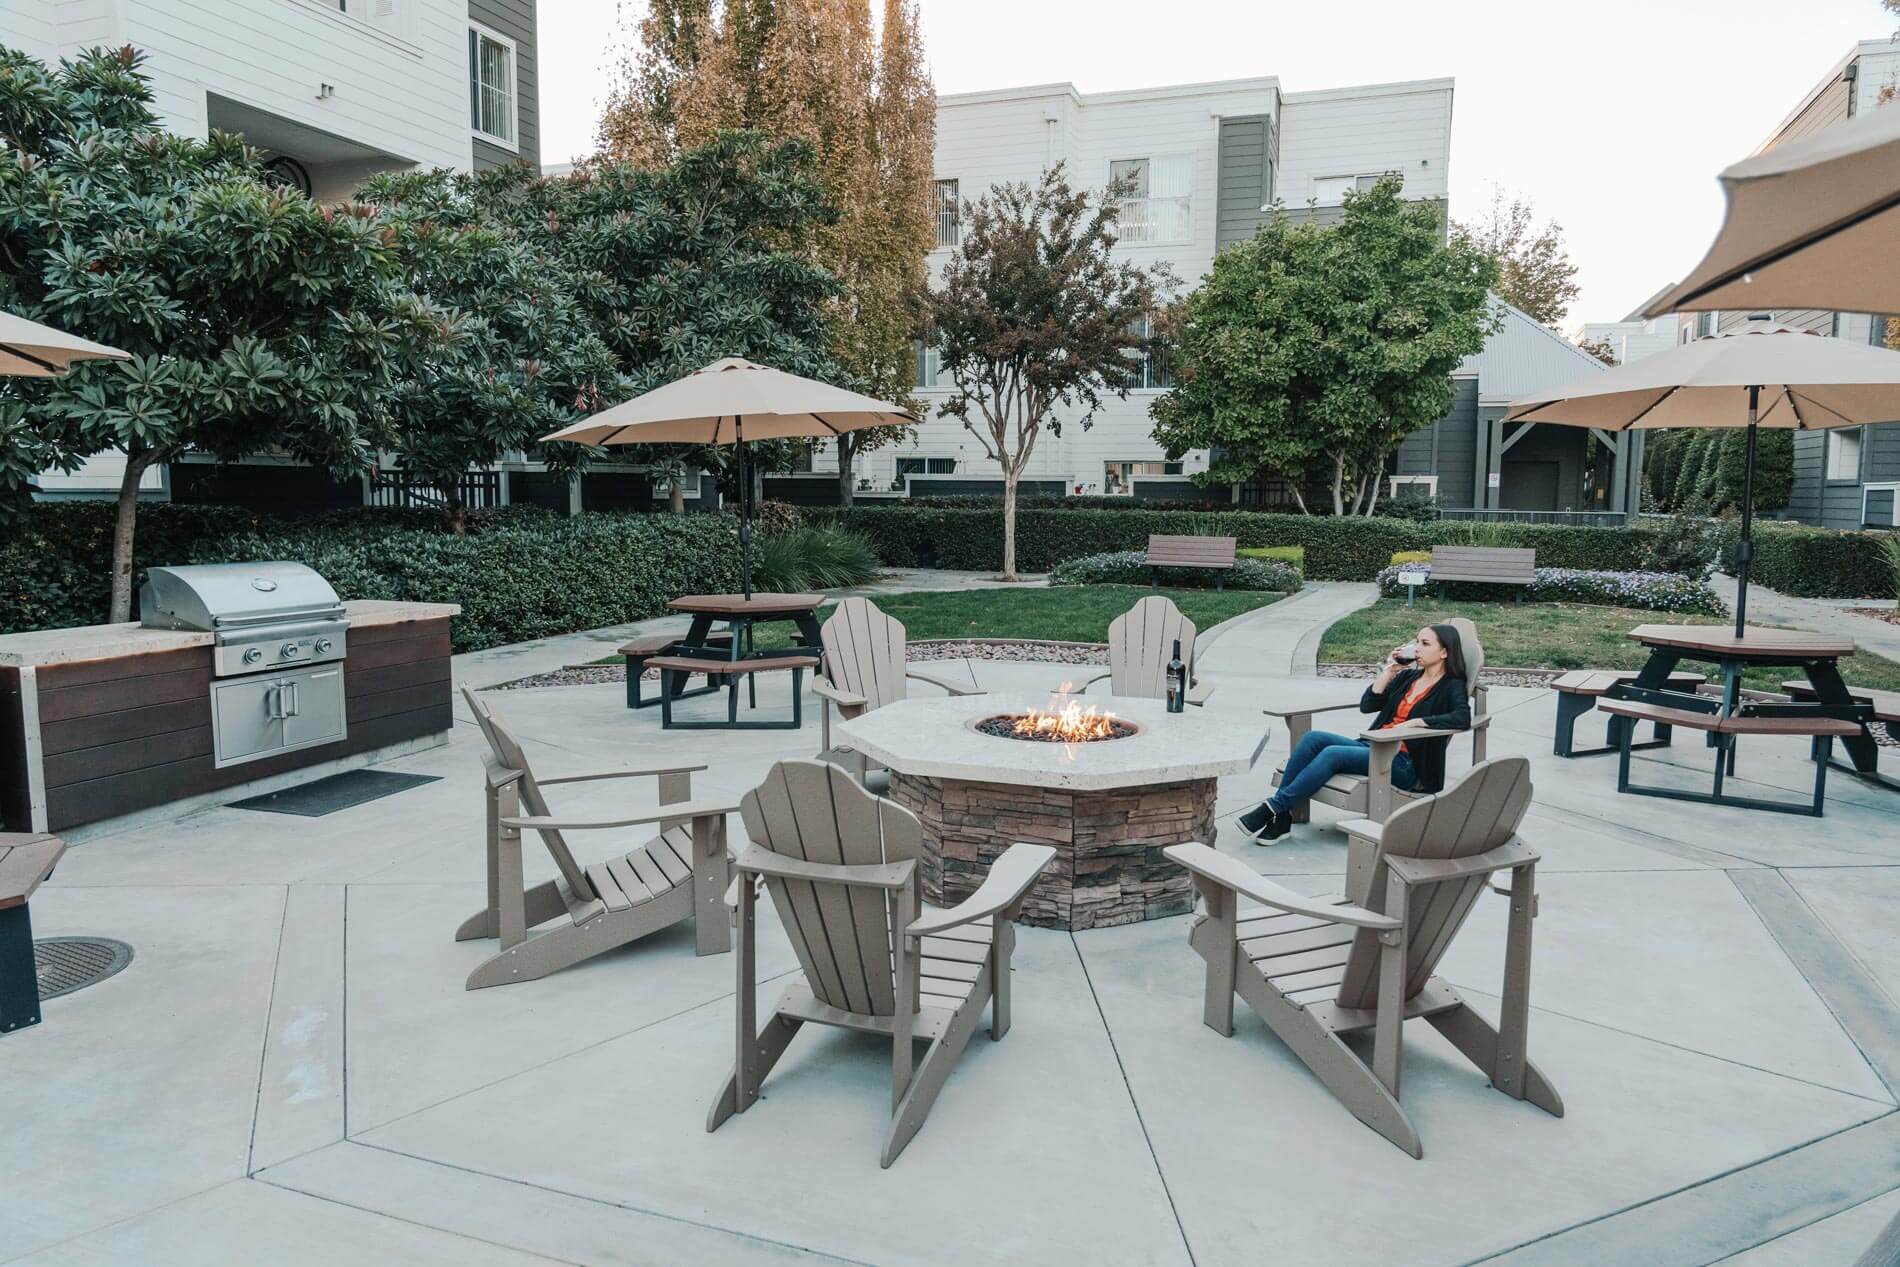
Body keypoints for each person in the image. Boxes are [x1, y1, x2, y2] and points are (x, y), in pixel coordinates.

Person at [1239, 622, 1473, 842]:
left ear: (1444, 652)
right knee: (1313, 738)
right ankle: (1281, 817)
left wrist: (1417, 722)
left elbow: (1462, 718)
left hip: (1404, 763)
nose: (1417, 648)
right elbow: (1368, 706)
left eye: (1425, 644)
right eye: (1418, 642)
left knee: (1333, 754)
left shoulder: (1451, 686)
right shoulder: (1409, 677)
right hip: (1374, 746)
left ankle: (1272, 808)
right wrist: (1389, 671)